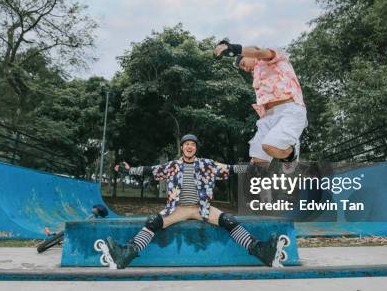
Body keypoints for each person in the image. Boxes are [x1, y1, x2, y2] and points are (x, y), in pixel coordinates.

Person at [96, 134, 289, 269]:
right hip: (178, 209)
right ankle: (125, 254)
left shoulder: (207, 164)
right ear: (182, 147)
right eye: (186, 144)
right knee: (152, 222)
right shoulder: (173, 166)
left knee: (229, 220)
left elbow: (230, 169)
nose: (189, 147)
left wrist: (251, 168)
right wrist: (129, 170)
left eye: (193, 144)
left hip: (201, 208)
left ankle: (262, 251)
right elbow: (151, 170)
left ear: (196, 148)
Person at [214, 41, 307, 176]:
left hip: (289, 110)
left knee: (269, 146)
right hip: (268, 116)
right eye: (242, 68)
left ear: (247, 55)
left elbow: (258, 51)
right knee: (257, 164)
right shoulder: (257, 74)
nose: (244, 69)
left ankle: (291, 151)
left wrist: (233, 49)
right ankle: (267, 194)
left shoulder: (274, 57)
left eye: (243, 64)